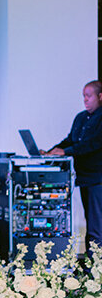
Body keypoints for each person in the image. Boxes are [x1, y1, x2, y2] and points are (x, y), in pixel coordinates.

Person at [43, 80, 102, 250]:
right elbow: (71, 140)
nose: (85, 100)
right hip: (83, 178)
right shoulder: (81, 117)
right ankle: (91, 262)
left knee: (96, 225)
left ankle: (95, 267)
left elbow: (93, 144)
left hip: (97, 178)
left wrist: (66, 151)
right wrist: (53, 150)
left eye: (88, 96)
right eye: (83, 96)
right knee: (90, 221)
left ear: (100, 96)